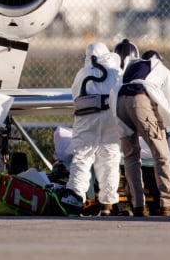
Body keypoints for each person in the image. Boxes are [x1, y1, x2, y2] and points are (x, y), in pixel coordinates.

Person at [116, 50, 170, 217]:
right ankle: (169, 203)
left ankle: (138, 205)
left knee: (130, 156)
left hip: (120, 101)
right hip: (140, 101)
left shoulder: (132, 67)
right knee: (161, 154)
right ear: (159, 59)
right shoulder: (163, 70)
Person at [61, 42, 122, 216]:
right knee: (110, 159)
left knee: (82, 156)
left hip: (86, 119)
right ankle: (107, 205)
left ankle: (75, 197)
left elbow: (75, 95)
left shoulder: (83, 73)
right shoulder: (117, 73)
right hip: (110, 118)